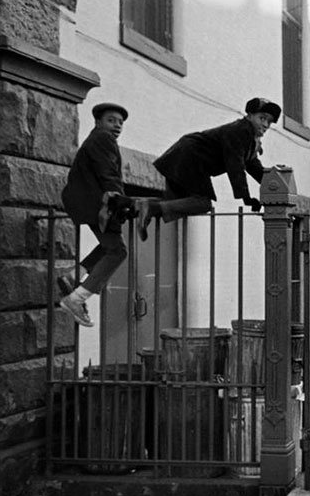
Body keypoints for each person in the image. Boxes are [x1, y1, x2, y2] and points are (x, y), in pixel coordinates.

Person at [136, 97, 282, 241]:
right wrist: (246, 198)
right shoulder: (239, 131)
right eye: (262, 118)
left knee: (175, 202)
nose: (266, 124)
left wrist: (277, 186)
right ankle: (150, 208)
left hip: (188, 157)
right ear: (249, 116)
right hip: (191, 157)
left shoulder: (251, 140)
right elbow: (235, 166)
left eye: (269, 121)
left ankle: (129, 204)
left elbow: (253, 167)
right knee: (202, 203)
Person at [58, 102, 136, 327]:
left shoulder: (94, 139)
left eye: (120, 122)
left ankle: (73, 276)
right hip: (97, 202)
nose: (117, 126)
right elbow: (108, 174)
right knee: (118, 251)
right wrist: (121, 202)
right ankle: (76, 298)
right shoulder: (103, 139)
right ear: (98, 122)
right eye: (111, 120)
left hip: (86, 200)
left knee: (108, 246)